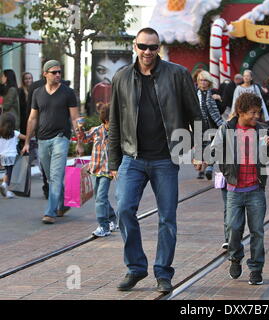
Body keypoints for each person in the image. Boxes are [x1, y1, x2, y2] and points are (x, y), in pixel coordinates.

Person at [108, 27, 203, 294]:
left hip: (165, 158)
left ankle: (163, 272)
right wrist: (114, 162)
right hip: (132, 157)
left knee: (167, 218)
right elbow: (114, 122)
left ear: (159, 48)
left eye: (153, 47)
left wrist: (199, 151)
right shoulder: (122, 77)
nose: (148, 52)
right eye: (143, 46)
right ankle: (136, 268)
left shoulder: (177, 74)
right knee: (124, 210)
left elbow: (196, 116)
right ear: (135, 47)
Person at [210, 92, 269, 286]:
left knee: (257, 231)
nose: (256, 116)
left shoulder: (262, 130)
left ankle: (256, 269)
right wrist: (205, 159)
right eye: (252, 112)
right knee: (233, 229)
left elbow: (265, 160)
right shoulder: (226, 129)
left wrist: (266, 148)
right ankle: (235, 257)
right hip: (234, 190)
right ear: (240, 111)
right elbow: (214, 150)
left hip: (255, 189)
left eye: (258, 112)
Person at [21, 60, 82, 224]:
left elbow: (75, 118)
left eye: (59, 72)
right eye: (54, 72)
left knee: (55, 176)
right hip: (42, 139)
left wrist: (80, 142)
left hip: (61, 138)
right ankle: (61, 204)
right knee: (50, 177)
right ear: (45, 74)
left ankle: (50, 212)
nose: (58, 75)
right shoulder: (37, 93)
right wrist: (27, 141)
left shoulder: (68, 93)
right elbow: (32, 118)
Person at [76, 103, 118, 237]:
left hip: (107, 170)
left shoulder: (116, 134)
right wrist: (80, 128)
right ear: (106, 120)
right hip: (94, 169)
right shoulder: (97, 130)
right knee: (100, 198)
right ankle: (113, 218)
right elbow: (84, 139)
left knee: (101, 198)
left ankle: (103, 226)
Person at [196, 70, 225, 180]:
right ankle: (202, 169)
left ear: (209, 82)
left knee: (211, 147)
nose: (203, 82)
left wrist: (219, 100)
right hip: (199, 124)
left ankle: (209, 167)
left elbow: (221, 110)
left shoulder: (213, 93)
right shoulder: (195, 93)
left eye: (205, 80)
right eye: (201, 80)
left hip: (212, 125)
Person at [0, 113, 26, 198]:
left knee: (7, 171)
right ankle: (6, 187)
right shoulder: (14, 133)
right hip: (12, 156)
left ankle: (5, 186)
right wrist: (31, 135)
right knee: (11, 174)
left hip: (3, 156)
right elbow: (25, 138)